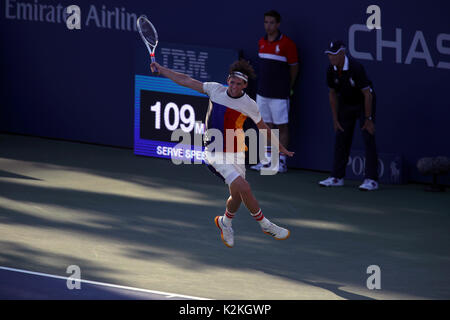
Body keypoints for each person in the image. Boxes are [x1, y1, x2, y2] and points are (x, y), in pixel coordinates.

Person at [150, 59, 294, 248]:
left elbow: (263, 127)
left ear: (245, 85)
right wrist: (161, 70)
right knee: (244, 187)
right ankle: (265, 224)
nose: (234, 86)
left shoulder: (249, 104)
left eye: (239, 83)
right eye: (232, 81)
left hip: (237, 153)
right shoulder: (215, 89)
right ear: (228, 80)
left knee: (237, 196)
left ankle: (225, 222)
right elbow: (185, 80)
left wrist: (279, 147)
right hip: (214, 152)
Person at [319, 40, 379, 191]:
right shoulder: (330, 70)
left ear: (342, 53)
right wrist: (335, 119)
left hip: (363, 103)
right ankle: (337, 177)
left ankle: (371, 179)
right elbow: (332, 94)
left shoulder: (356, 68)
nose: (331, 57)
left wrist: (368, 118)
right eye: (329, 55)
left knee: (368, 137)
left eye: (334, 54)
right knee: (341, 138)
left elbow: (367, 94)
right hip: (345, 104)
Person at [251, 9, 299, 173]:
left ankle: (282, 161)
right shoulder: (261, 42)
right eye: (266, 22)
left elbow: (294, 68)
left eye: (271, 22)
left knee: (282, 127)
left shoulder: (287, 44)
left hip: (280, 94)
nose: (268, 26)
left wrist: (288, 87)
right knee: (266, 126)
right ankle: (267, 160)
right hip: (262, 93)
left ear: (278, 24)